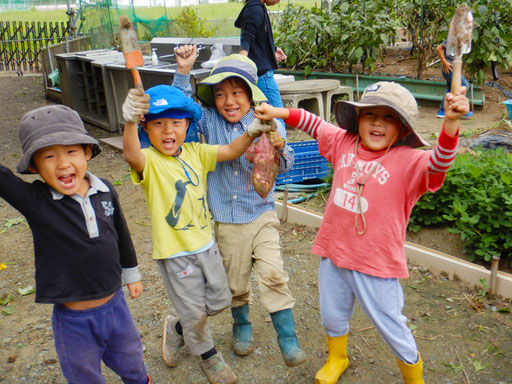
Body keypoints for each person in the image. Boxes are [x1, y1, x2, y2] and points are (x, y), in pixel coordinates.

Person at [254, 81, 469, 383]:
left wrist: (451, 123)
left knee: (390, 322)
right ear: (358, 120)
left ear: (403, 129)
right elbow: (313, 123)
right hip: (334, 251)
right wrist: (277, 112)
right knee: (332, 314)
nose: (378, 122)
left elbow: (440, 161)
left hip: (376, 263)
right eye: (370, 114)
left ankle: (414, 378)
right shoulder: (344, 142)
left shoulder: (409, 161)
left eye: (389, 116)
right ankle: (337, 358)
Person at [121, 64, 273, 384]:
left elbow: (231, 150)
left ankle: (176, 327)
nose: (168, 131)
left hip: (206, 244)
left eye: (176, 122)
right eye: (158, 124)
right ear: (147, 129)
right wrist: (130, 121)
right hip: (176, 253)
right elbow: (131, 154)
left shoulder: (195, 152)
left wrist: (253, 131)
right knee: (195, 312)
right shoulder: (150, 161)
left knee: (220, 300)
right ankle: (209, 356)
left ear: (187, 124)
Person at [171, 47, 307, 368]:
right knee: (236, 281)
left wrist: (279, 147)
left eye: (236, 92)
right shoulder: (208, 121)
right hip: (227, 221)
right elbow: (180, 110)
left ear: (250, 94)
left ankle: (287, 336)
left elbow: (285, 166)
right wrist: (182, 71)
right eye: (220, 94)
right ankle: (241, 324)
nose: (229, 101)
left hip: (261, 214)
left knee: (273, 273)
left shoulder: (268, 120)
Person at [0, 105, 150, 384]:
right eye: (49, 156)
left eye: (71, 151)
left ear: (87, 152)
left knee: (132, 361)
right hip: (73, 321)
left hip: (116, 306)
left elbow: (121, 232)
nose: (63, 163)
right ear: (34, 166)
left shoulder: (104, 189)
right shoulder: (37, 201)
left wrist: (131, 273)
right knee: (83, 374)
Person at [235, 0, 287, 108]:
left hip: (260, 72)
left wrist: (273, 49)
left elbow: (257, 38)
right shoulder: (255, 10)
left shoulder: (257, 7)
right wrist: (241, 63)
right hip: (262, 75)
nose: (279, 1)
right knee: (278, 114)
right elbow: (247, 38)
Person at [436, 40, 473, 119]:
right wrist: (445, 63)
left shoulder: (461, 40)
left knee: (450, 88)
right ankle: (459, 109)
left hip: (454, 67)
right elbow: (438, 48)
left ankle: (442, 111)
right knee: (464, 85)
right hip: (449, 68)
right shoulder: (453, 38)